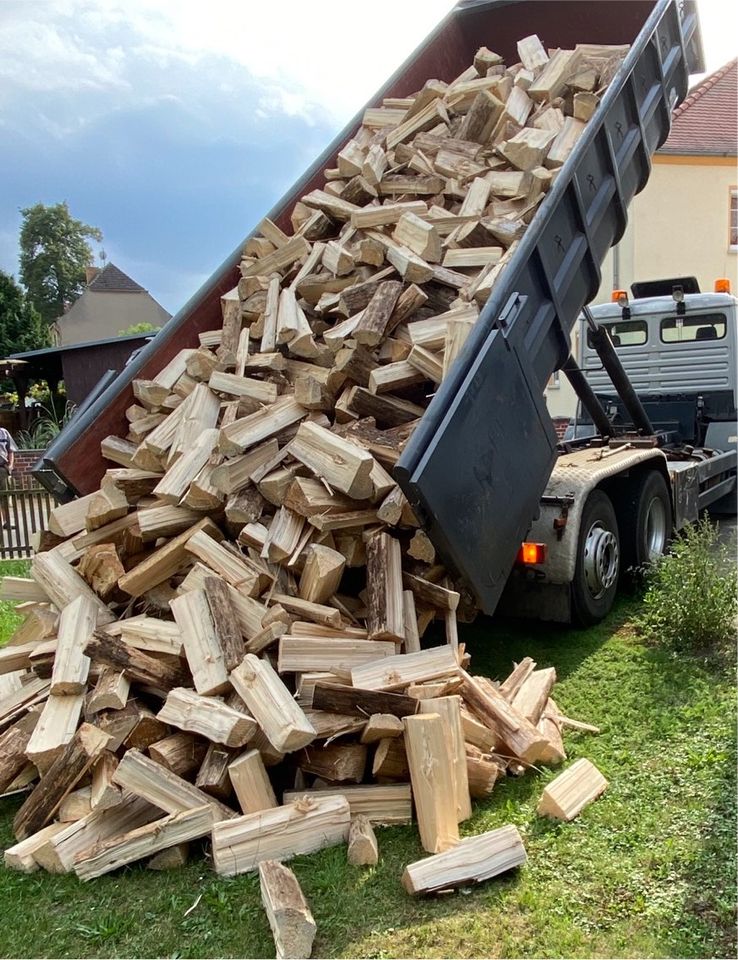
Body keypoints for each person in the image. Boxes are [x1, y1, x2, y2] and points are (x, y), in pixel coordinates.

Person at [0, 426, 17, 531]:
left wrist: (10, 465)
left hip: (2, 468)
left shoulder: (3, 433)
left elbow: (10, 451)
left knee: (5, 496)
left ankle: (7, 522)